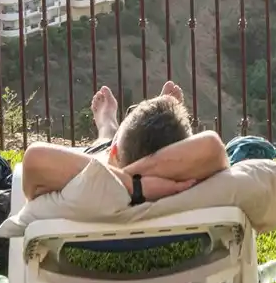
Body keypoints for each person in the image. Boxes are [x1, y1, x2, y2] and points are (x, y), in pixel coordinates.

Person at [21, 81, 230, 201]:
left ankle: (109, 126)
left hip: (104, 158)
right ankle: (112, 127)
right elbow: (212, 145)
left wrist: (132, 183)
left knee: (102, 145)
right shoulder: (184, 177)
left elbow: (33, 158)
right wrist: (139, 178)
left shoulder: (84, 181)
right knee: (114, 140)